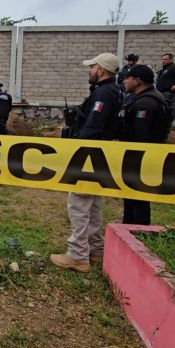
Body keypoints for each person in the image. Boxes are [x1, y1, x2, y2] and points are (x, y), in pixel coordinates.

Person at [51, 53, 123, 274]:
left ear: (101, 70)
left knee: (79, 204)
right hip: (100, 153)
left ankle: (77, 255)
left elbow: (93, 126)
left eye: (92, 67)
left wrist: (76, 150)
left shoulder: (103, 93)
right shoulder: (115, 91)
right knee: (93, 204)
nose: (89, 71)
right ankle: (96, 249)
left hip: (89, 154)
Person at [120, 65, 172, 225]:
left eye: (127, 78)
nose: (124, 82)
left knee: (138, 199)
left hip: (140, 158)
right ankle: (128, 227)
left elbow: (140, 134)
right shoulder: (149, 98)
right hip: (142, 156)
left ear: (138, 81)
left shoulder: (146, 103)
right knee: (132, 198)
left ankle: (138, 230)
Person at [156, 53, 175, 119]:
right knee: (162, 108)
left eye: (165, 59)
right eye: (162, 59)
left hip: (169, 92)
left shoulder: (174, 67)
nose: (163, 61)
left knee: (169, 107)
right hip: (161, 92)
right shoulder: (164, 69)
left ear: (171, 60)